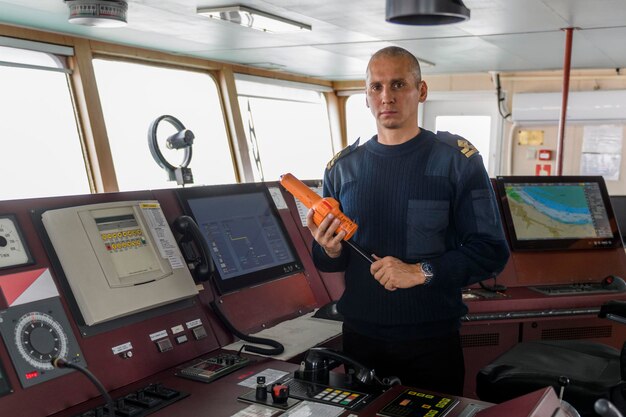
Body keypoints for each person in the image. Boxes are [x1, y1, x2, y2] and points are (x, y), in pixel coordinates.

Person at [306, 46, 510, 395]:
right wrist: (327, 247)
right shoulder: (341, 168)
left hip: (430, 341)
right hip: (360, 340)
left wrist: (419, 272)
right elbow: (327, 261)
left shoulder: (457, 161)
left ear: (422, 91)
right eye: (376, 87)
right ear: (367, 96)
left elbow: (491, 250)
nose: (387, 97)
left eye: (399, 84)